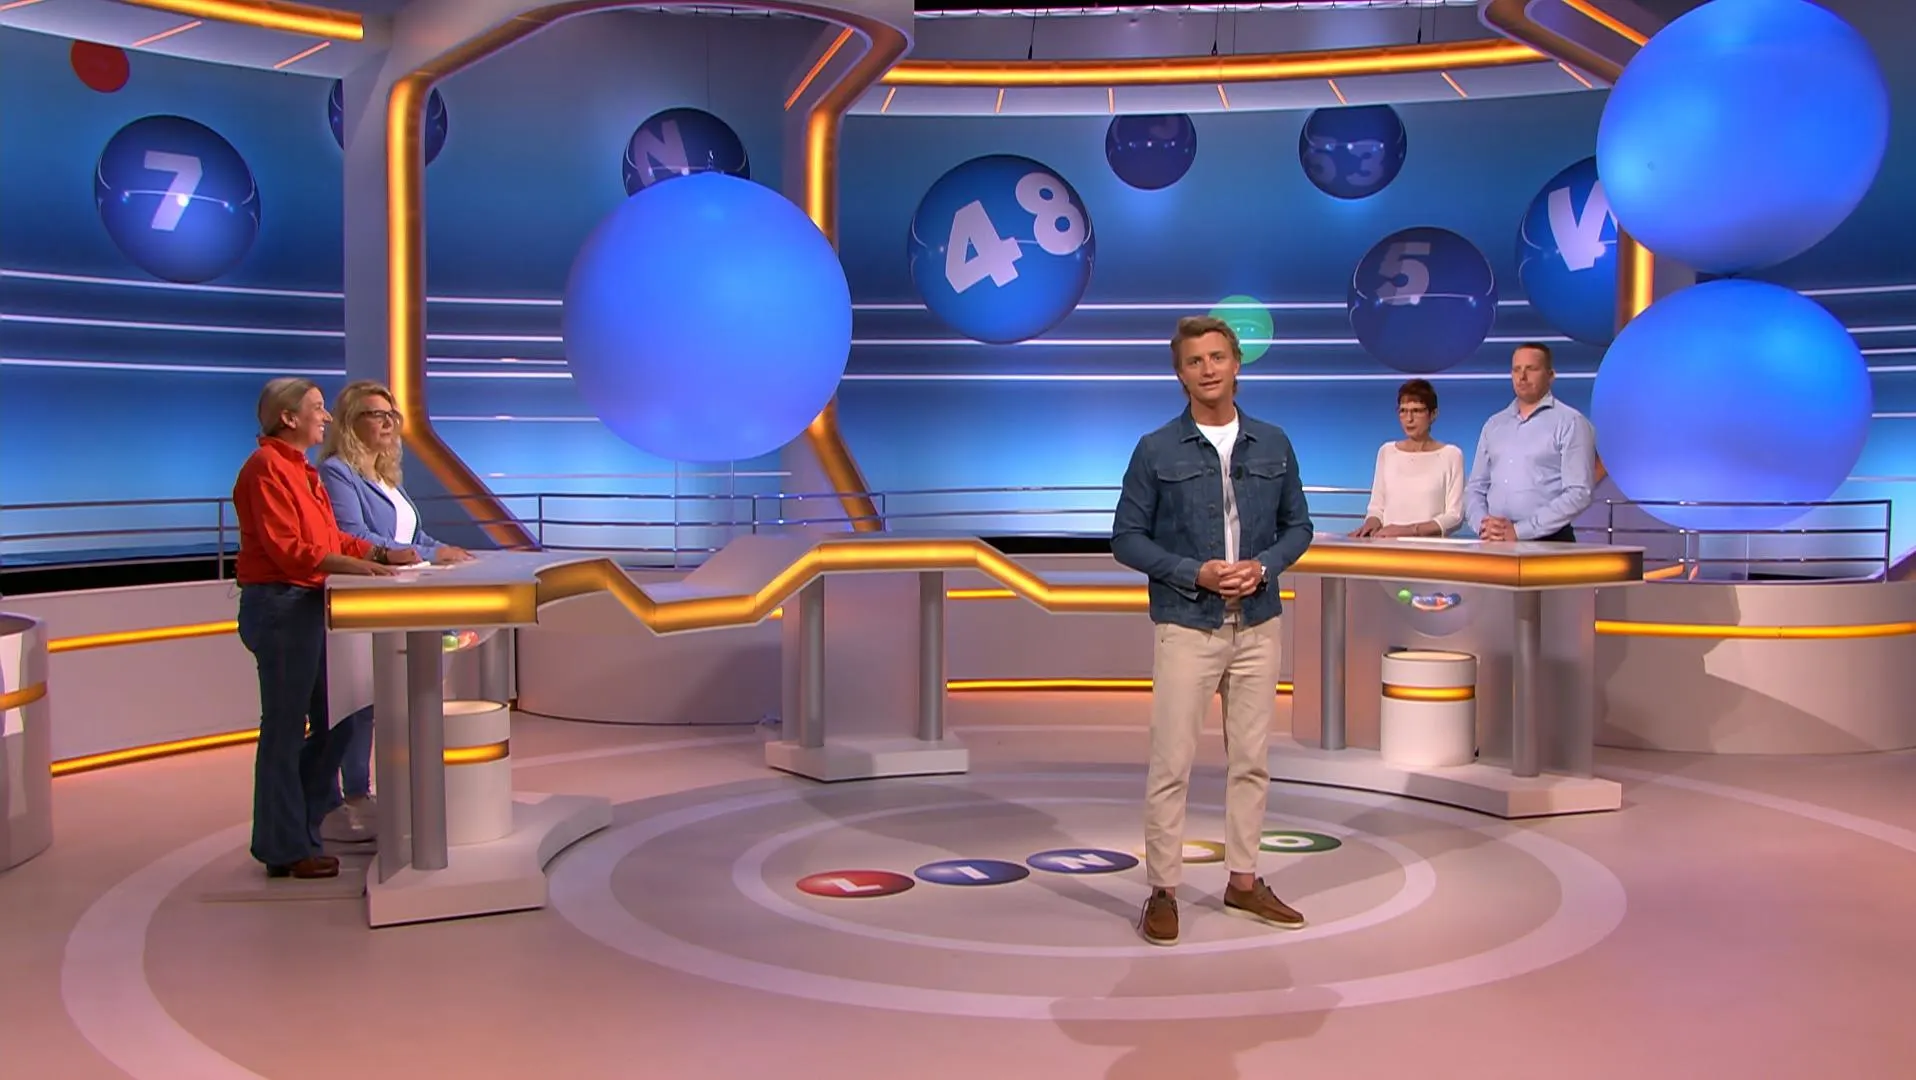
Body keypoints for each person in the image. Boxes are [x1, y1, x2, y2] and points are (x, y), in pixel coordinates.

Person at [1111, 315, 1315, 947]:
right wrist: (1192, 572)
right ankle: (1163, 891)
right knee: (1171, 763)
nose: (1208, 369)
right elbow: (1126, 538)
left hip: (1258, 623)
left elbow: (1299, 527)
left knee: (1251, 761)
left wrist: (1265, 566)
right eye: (1195, 361)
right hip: (1187, 625)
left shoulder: (1273, 442)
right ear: (1180, 373)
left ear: (1236, 363)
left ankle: (1244, 881)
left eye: (1218, 357)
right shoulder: (1155, 449)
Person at [233, 378, 414, 879]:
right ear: (288, 417)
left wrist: (381, 553)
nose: (326, 416)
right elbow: (290, 550)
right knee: (285, 730)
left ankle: (300, 828)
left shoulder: (302, 469)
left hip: (309, 603)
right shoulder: (266, 468)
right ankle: (285, 846)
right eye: (317, 408)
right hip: (281, 606)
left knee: (339, 720)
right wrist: (359, 565)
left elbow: (331, 538)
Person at [318, 380, 473, 842]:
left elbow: (412, 539)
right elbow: (354, 536)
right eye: (376, 414)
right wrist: (425, 554)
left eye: (392, 415)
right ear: (351, 422)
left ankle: (366, 791)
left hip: (399, 599)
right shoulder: (337, 472)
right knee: (355, 702)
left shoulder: (385, 476)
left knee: (377, 699)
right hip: (364, 599)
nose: (388, 423)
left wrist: (444, 550)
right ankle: (343, 799)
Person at [1465, 342, 1596, 543]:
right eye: (1516, 369)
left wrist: (1520, 531)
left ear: (1550, 376)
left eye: (1531, 369)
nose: (1522, 377)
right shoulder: (1494, 424)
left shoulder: (1571, 422)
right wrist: (1483, 525)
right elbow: (1475, 487)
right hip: (1494, 542)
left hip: (1548, 542)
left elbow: (1579, 492)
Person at [1350, 378, 1465, 539]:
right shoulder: (1387, 452)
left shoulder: (1451, 455)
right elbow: (1376, 507)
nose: (1409, 419)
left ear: (1433, 414)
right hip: (1387, 546)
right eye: (1403, 411)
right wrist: (1372, 523)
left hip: (1430, 549)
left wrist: (1409, 530)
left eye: (1416, 411)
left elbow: (1455, 516)